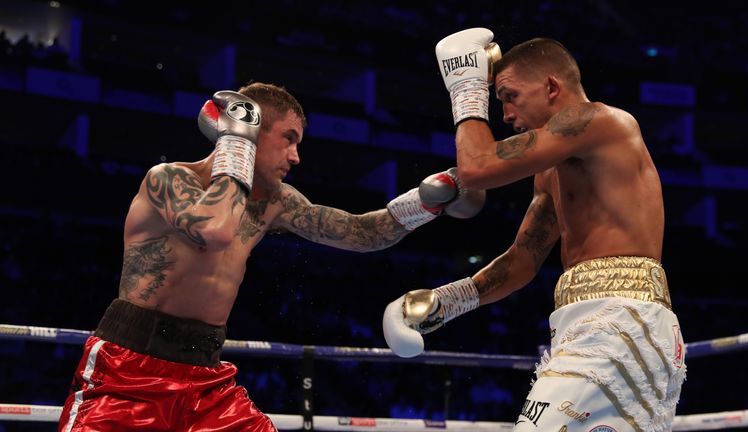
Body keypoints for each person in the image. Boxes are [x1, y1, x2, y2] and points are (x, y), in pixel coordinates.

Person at [58, 82, 485, 431]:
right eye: (289, 139)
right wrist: (237, 144)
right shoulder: (169, 180)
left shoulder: (275, 201)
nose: (296, 156)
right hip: (130, 370)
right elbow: (216, 229)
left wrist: (429, 199)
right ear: (252, 129)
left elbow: (360, 232)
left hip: (206, 376)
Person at [383, 29, 686, 432]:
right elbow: (523, 260)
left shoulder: (598, 121)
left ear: (551, 86)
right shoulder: (550, 171)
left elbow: (477, 167)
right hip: (588, 321)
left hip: (621, 320)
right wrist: (445, 302)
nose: (506, 113)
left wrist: (466, 85)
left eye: (510, 96)